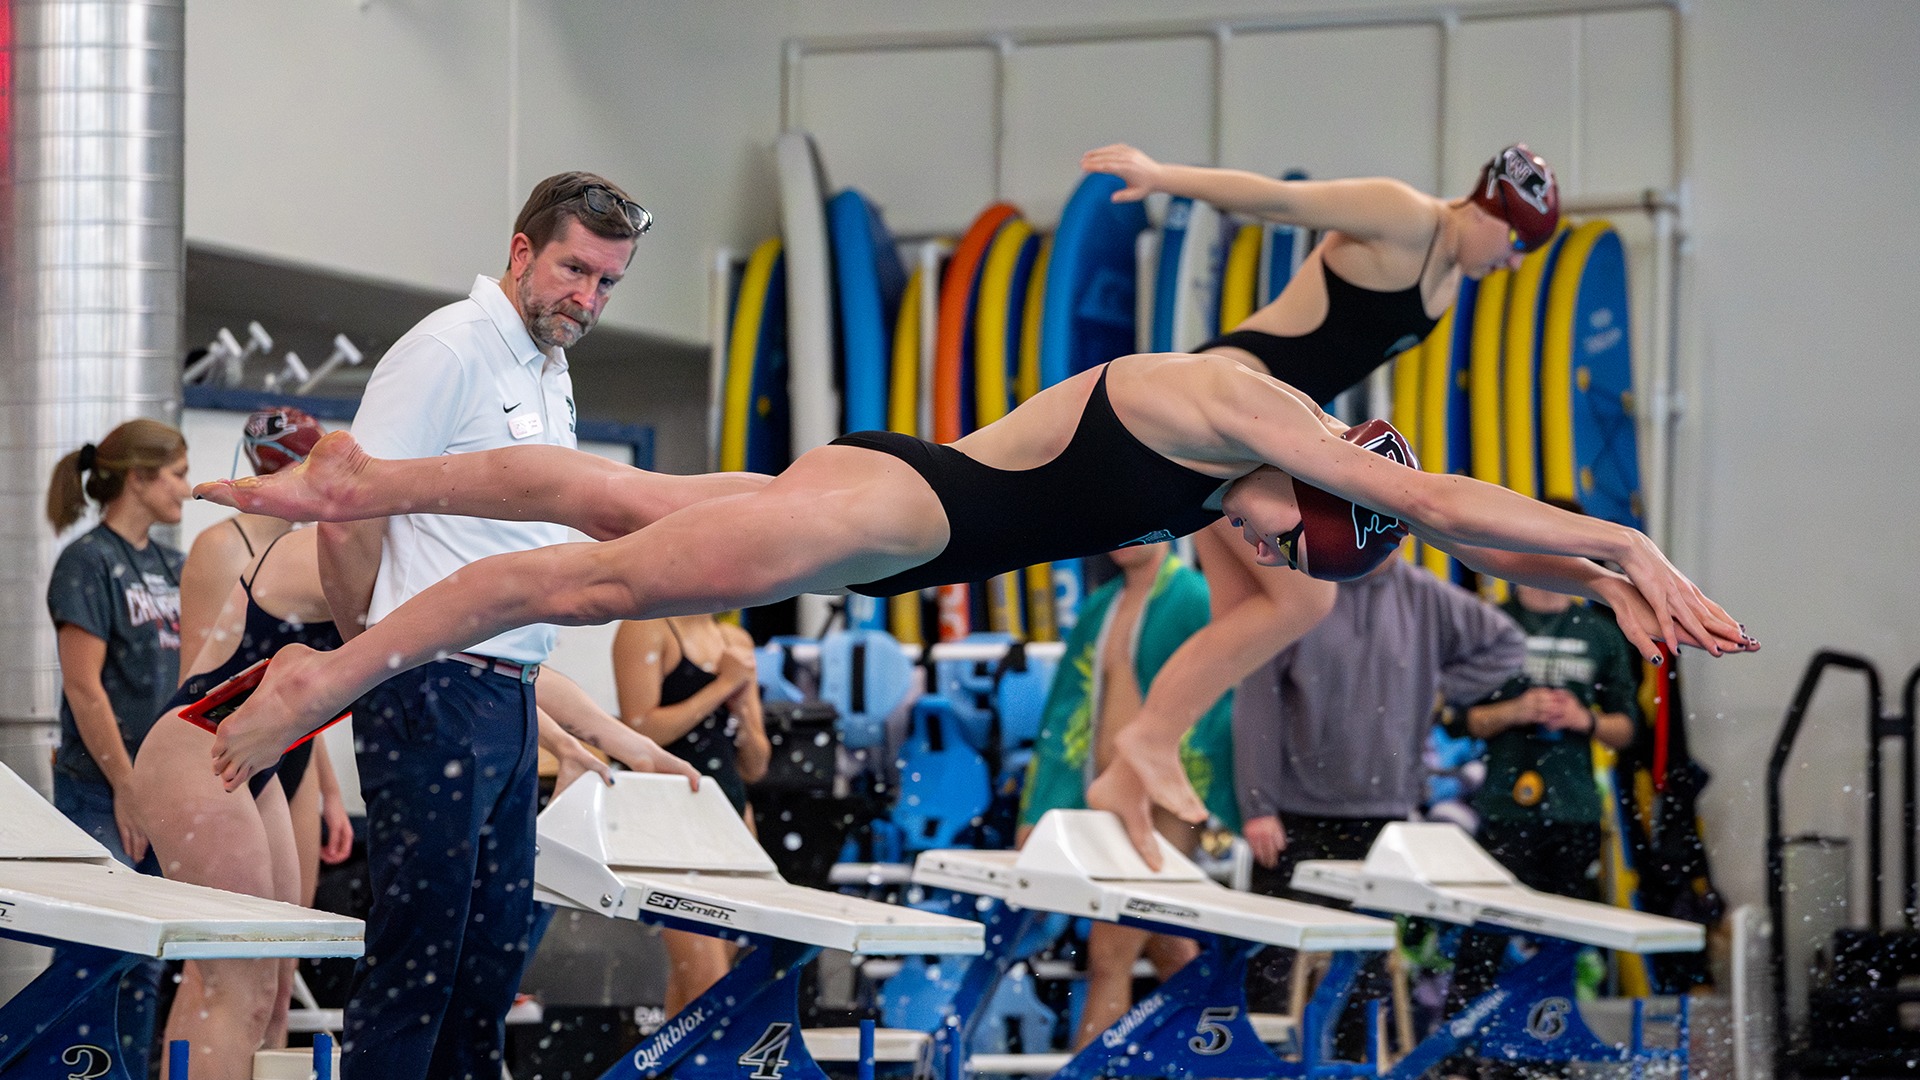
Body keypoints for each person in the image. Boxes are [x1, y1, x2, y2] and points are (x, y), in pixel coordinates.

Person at [195, 349, 1752, 867]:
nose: (1281, 559)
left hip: (896, 505)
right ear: (1324, 486)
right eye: (1309, 541)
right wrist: (1622, 530)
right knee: (579, 574)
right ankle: (313, 685)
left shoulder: (1249, 478)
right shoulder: (1231, 410)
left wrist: (1607, 580)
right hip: (898, 518)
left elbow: (1460, 535)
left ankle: (361, 484)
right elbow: (1446, 505)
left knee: (618, 502)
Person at [1068, 143, 1565, 866]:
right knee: (1306, 602)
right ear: (1489, 205)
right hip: (1231, 399)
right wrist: (1163, 178)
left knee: (1247, 621)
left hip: (1274, 431)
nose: (1516, 261)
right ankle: (1144, 742)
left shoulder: (1449, 282)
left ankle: (1131, 769)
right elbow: (1282, 201)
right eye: (1520, 241)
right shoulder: (1401, 215)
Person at [298, 169, 665, 1079]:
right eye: (575, 271)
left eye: (608, 283)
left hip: (508, 696)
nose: (588, 298)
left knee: (487, 972)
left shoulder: (550, 368)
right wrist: (373, 657)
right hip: (429, 686)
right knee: (416, 971)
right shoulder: (449, 349)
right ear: (520, 252)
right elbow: (345, 514)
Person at [133, 525, 681, 1080]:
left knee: (274, 995)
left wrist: (582, 743)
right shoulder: (333, 546)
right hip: (196, 756)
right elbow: (458, 651)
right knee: (234, 988)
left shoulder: (400, 558)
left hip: (263, 765)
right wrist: (616, 738)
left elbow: (474, 663)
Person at [1230, 550, 1525, 1038]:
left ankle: (1357, 1067)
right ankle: (1263, 1069)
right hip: (1293, 815)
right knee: (1272, 962)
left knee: (1365, 969)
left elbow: (1508, 645)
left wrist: (1438, 686)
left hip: (1384, 816)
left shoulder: (1426, 596)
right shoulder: (1300, 591)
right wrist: (1257, 804)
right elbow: (1258, 697)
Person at [1017, 541, 1237, 1049]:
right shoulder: (1102, 606)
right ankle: (1209, 1062)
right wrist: (1039, 806)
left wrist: (1218, 806)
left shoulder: (1192, 597)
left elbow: (1221, 705)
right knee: (1170, 952)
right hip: (1112, 799)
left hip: (1167, 804)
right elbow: (1065, 714)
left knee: (1109, 955)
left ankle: (1088, 1069)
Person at [1446, 520, 1645, 1014]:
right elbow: (1454, 719)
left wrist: (1583, 719)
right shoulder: (1489, 623)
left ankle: (1548, 1043)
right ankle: (1460, 1050)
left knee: (1565, 938)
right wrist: (1515, 711)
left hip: (1573, 807)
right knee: (1485, 933)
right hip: (1504, 806)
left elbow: (1628, 729)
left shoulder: (1601, 632)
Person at [44, 418, 191, 1073]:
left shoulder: (173, 564)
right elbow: (84, 687)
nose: (187, 491)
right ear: (139, 477)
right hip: (100, 788)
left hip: (157, 791)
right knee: (93, 956)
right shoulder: (89, 561)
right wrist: (128, 788)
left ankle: (128, 1068)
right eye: (178, 475)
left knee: (146, 960)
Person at [177, 406, 353, 918]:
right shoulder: (221, 548)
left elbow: (300, 687)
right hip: (228, 753)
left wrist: (331, 793)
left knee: (288, 944)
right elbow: (196, 681)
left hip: (290, 749)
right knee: (233, 951)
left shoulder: (313, 548)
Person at [610, 613, 770, 1013]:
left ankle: (673, 1071)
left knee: (700, 985)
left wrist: (741, 709)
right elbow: (641, 731)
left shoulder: (736, 642)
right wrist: (722, 686)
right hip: (668, 823)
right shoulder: (647, 627)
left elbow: (756, 764)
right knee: (708, 982)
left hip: (731, 820)